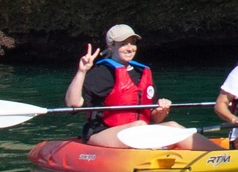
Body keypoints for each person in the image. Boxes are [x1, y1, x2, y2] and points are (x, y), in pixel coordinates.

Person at [66, 25, 211, 149]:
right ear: (111, 46)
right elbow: (73, 104)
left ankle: (223, 155)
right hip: (103, 133)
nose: (129, 48)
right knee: (139, 127)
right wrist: (82, 71)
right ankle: (160, 150)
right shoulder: (102, 73)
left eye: (132, 43)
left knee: (172, 125)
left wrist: (162, 110)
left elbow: (155, 119)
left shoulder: (142, 72)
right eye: (123, 44)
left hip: (140, 130)